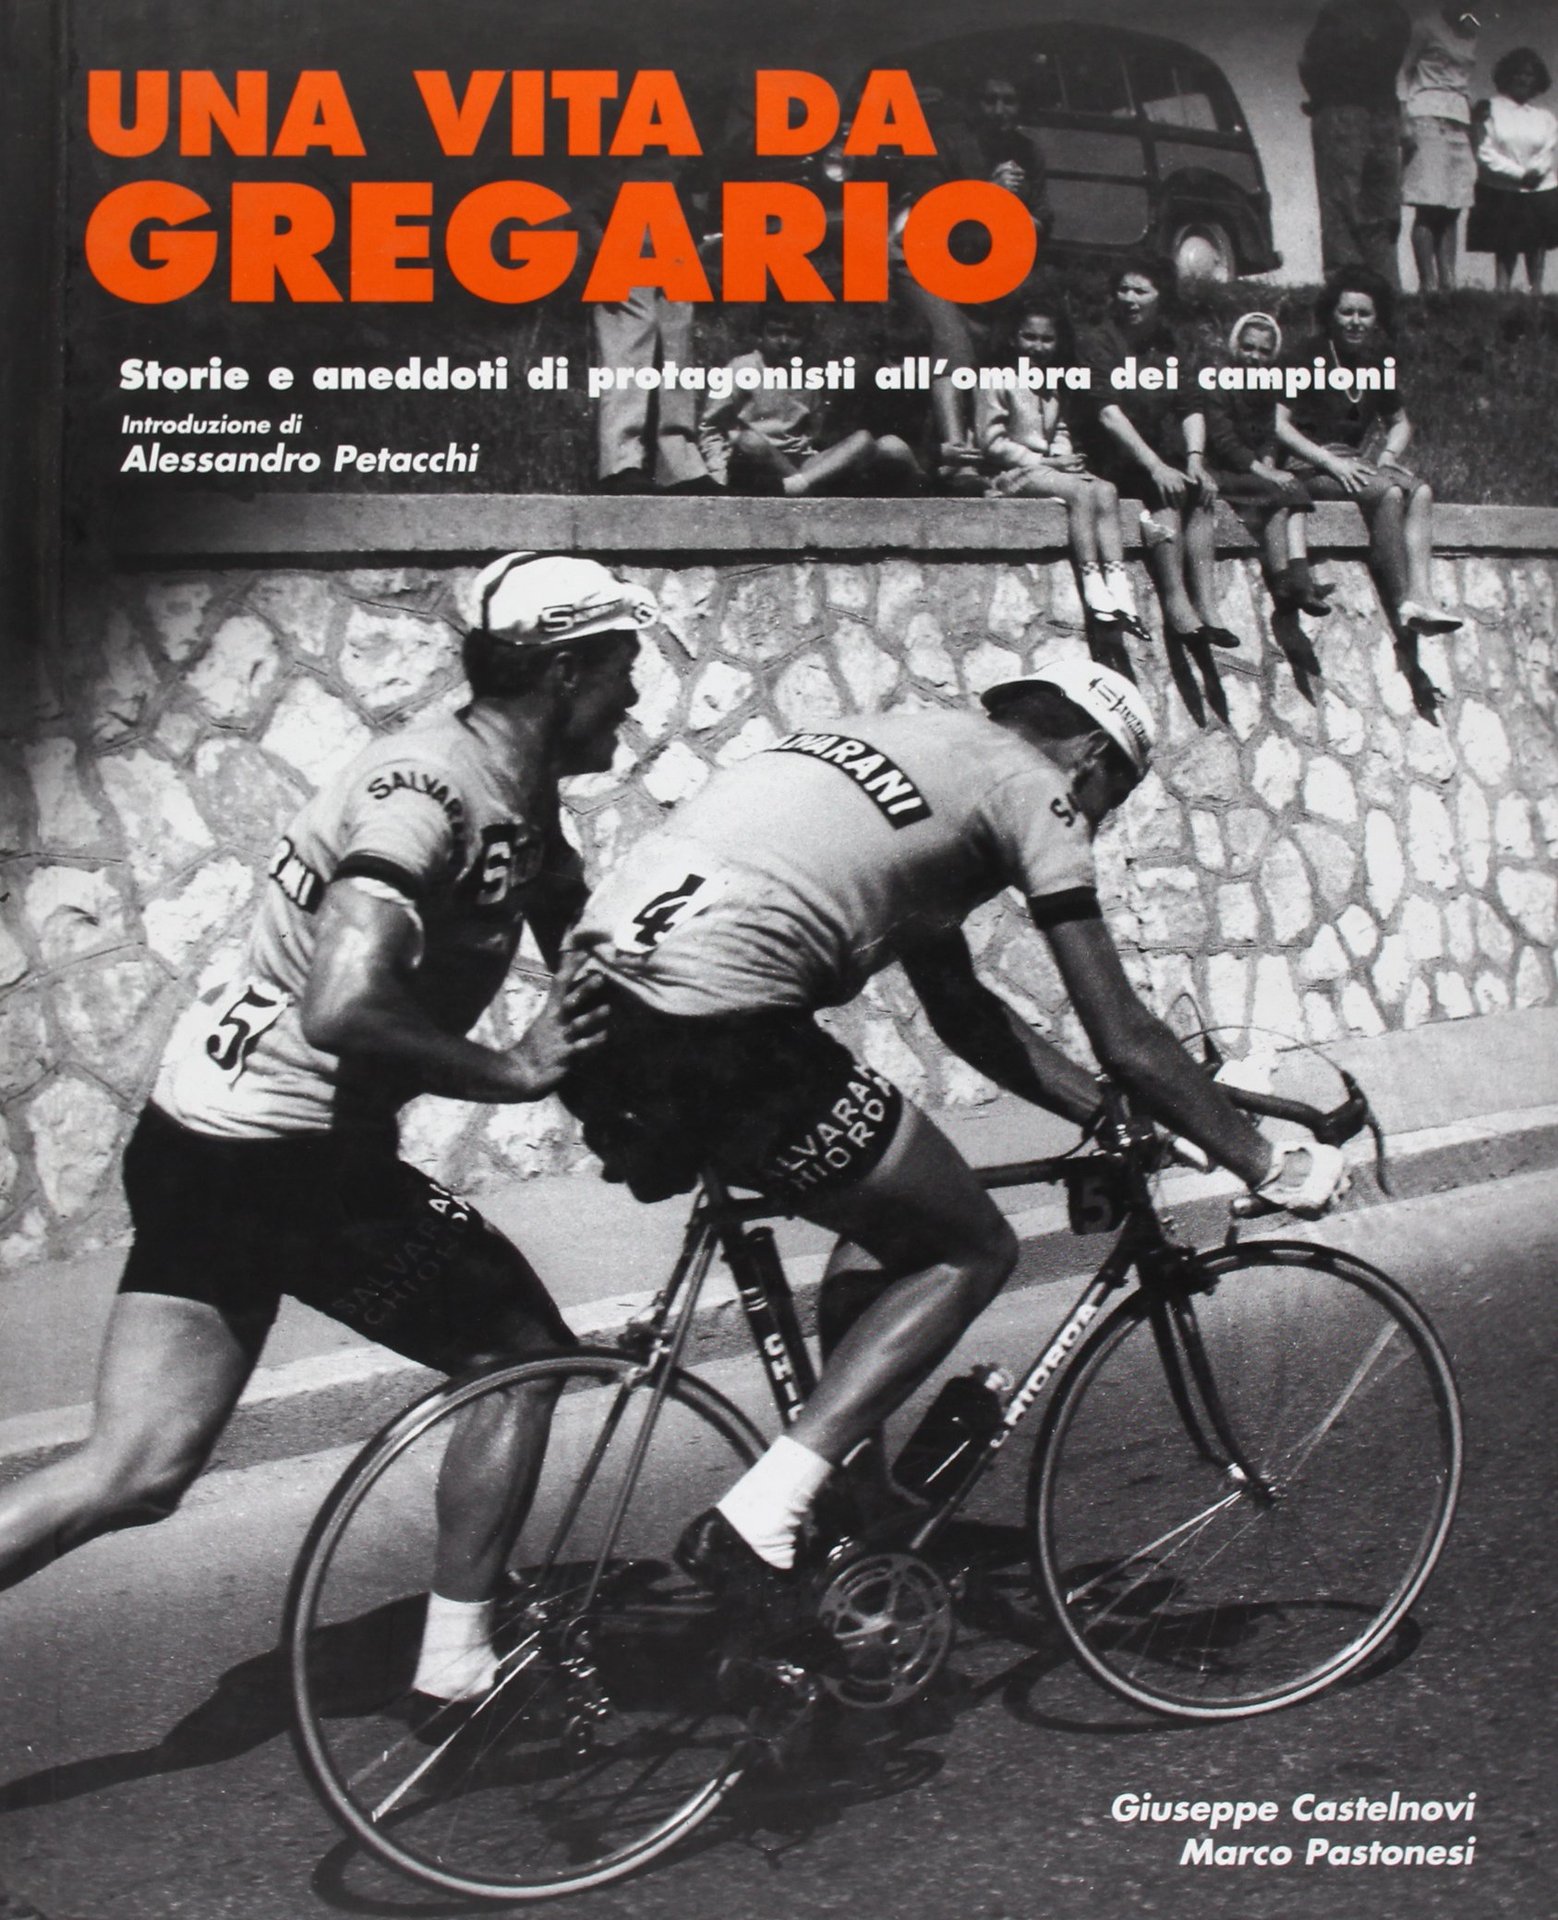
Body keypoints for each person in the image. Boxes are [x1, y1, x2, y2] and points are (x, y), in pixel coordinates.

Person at [0, 552, 655, 1703]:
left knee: (135, 1470)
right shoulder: (427, 795)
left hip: (201, 1137)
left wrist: (639, 1087)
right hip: (286, 1158)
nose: (635, 696)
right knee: (519, 1359)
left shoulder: (511, 783)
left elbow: (572, 932)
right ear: (563, 673)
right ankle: (456, 1669)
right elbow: (343, 1003)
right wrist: (513, 1070)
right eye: (620, 669)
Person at [566, 658, 1348, 1606]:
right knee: (971, 1247)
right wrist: (1263, 1160)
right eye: (1112, 800)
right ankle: (760, 1518)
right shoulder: (1035, 788)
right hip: (718, 1018)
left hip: (593, 1011)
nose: (1096, 824)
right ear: (1090, 758)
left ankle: (855, 1499)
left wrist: (1108, 1114)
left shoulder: (918, 745)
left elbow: (962, 1011)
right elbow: (1127, 1036)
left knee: (884, 1225)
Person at [1275, 269, 1462, 637]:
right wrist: (1330, 462)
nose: (1355, 322)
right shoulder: (1306, 356)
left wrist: (1388, 455)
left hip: (1353, 463)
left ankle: (1422, 596)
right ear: (1331, 314)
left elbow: (1400, 422)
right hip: (1309, 463)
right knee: (1388, 493)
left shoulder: (1376, 363)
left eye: (1365, 313)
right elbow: (1278, 424)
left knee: (1421, 491)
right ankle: (1403, 602)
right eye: (1346, 312)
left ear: (1377, 318)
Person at [1080, 256, 1239, 649]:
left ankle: (1208, 606)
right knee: (1165, 489)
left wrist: (1195, 460)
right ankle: (1176, 601)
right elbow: (1107, 413)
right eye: (1124, 289)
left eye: (1141, 291)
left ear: (1160, 296)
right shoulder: (1098, 341)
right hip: (1113, 454)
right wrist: (1154, 465)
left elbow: (1191, 406)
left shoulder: (1171, 345)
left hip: (1157, 451)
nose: (1130, 298)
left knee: (1199, 489)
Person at [978, 292, 1145, 635]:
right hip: (1011, 473)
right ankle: (1093, 587)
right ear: (1013, 338)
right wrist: (1048, 462)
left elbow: (1060, 430)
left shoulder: (1051, 386)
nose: (1037, 347)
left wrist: (1064, 459)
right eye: (1029, 337)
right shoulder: (996, 380)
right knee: (1080, 494)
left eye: (1046, 339)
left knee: (1106, 490)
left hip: (1048, 469)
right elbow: (991, 442)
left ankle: (1119, 587)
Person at [700, 307, 920, 496]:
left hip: (800, 465)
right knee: (750, 441)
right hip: (760, 462)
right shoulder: (741, 367)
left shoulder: (810, 372)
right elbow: (710, 428)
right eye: (775, 333)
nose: (784, 341)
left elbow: (815, 432)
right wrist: (718, 476)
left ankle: (800, 486)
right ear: (761, 334)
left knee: (864, 439)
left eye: (793, 334)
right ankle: (806, 488)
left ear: (806, 337)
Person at [1202, 312, 1333, 619]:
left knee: (1290, 488)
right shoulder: (1217, 383)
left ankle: (1295, 577)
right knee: (1280, 490)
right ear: (1235, 346)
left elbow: (1268, 436)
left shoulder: (1265, 387)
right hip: (1221, 469)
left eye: (1263, 351)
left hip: (1251, 470)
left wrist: (1271, 464)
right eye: (1248, 347)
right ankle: (1290, 580)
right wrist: (1265, 472)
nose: (1254, 357)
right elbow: (1224, 442)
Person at [1299, 0, 1413, 282]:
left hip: (1342, 110)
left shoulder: (1338, 11)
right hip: (1384, 113)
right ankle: (1385, 287)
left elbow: (1308, 62)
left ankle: (1348, 285)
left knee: (1341, 204)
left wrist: (1319, 98)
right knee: (1382, 209)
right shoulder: (1397, 15)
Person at [1400, 5, 1481, 292]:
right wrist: (1404, 117)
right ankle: (1429, 283)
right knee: (1428, 204)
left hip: (1460, 120)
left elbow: (1463, 82)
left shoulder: (1470, 32)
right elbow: (1404, 70)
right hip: (1426, 116)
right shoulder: (1425, 26)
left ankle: (1449, 283)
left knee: (1453, 205)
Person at [1468, 47, 1558, 294]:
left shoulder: (1545, 117)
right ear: (1507, 75)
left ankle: (1536, 292)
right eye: (1518, 73)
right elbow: (1484, 151)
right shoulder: (1489, 109)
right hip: (1501, 188)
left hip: (1540, 188)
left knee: (1537, 242)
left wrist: (1535, 173)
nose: (1523, 79)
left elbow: (1547, 151)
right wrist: (1519, 175)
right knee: (1505, 242)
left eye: (1529, 74)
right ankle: (1502, 292)